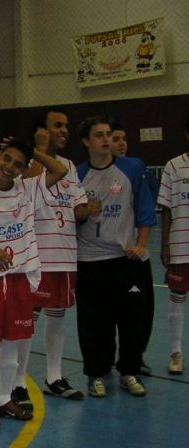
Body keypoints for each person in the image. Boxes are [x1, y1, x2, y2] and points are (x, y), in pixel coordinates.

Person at [0, 136, 67, 437]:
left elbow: (60, 170)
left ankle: (3, 400)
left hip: (20, 277)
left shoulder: (28, 189)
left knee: (13, 344)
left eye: (18, 164)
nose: (9, 167)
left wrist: (34, 151)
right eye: (6, 159)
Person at [75, 115, 157, 397]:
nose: (106, 139)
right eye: (98, 135)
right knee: (94, 322)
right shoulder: (76, 175)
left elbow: (145, 209)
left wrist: (141, 244)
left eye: (108, 134)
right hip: (90, 261)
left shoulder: (132, 168)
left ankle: (129, 371)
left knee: (133, 320)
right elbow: (69, 217)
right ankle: (96, 373)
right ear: (86, 141)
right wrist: (85, 211)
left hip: (126, 260)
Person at [21, 107, 94, 402]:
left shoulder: (69, 165)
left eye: (66, 125)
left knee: (57, 317)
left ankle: (54, 376)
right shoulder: (26, 161)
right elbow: (29, 191)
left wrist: (87, 210)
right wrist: (38, 148)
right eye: (57, 125)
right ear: (41, 130)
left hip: (64, 255)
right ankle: (16, 383)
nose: (64, 130)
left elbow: (77, 207)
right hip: (37, 257)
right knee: (27, 320)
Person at [110, 121, 156, 376]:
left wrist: (141, 245)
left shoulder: (138, 170)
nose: (121, 143)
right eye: (115, 138)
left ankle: (134, 357)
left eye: (123, 138)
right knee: (109, 314)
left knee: (141, 313)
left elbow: (147, 208)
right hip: (109, 258)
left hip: (136, 257)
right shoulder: (92, 174)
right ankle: (104, 360)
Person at [156, 117, 189, 375]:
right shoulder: (174, 166)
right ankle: (175, 352)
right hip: (181, 244)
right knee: (177, 299)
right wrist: (165, 243)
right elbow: (165, 208)